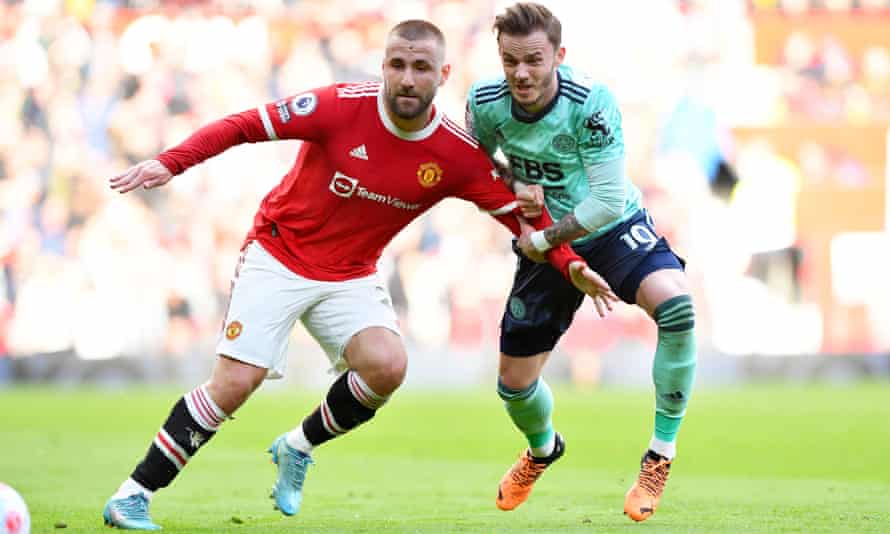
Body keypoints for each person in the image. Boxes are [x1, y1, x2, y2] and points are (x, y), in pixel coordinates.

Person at [101, 19, 617, 531]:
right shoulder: (339, 105)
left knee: (386, 367)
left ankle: (296, 446)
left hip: (350, 273)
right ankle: (133, 495)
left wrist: (570, 264)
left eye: (420, 68)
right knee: (236, 382)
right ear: (383, 67)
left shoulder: (457, 154)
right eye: (397, 65)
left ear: (443, 73)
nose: (407, 79)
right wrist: (172, 162)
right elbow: (244, 125)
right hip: (279, 254)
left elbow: (520, 216)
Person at [465, 2, 697, 522]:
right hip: (542, 239)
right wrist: (513, 185)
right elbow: (481, 166)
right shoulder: (483, 102)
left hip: (608, 229)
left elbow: (609, 200)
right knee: (514, 385)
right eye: (509, 61)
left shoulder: (589, 102)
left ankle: (660, 453)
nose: (520, 73)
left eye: (533, 60)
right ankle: (543, 448)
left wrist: (547, 237)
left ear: (559, 56)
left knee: (678, 307)